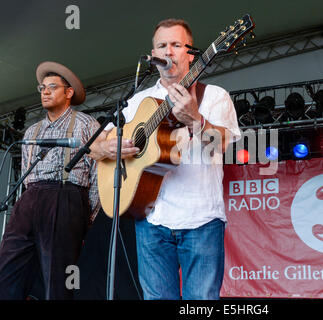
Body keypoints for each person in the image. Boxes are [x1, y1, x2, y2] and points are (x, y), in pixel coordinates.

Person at [88, 18, 240, 299]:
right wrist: (106, 149)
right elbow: (95, 143)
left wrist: (196, 120)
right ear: (154, 55)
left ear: (191, 53)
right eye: (161, 46)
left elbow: (222, 145)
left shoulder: (214, 96)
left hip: (202, 219)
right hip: (152, 219)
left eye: (176, 44)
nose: (168, 51)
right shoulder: (138, 100)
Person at [0, 62, 100, 300]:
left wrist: (88, 216)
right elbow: (26, 172)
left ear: (68, 92)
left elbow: (98, 174)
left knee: (58, 277)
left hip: (66, 197)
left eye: (52, 87)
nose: (45, 91)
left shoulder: (87, 124)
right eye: (42, 87)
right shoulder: (31, 131)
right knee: (7, 271)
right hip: (30, 198)